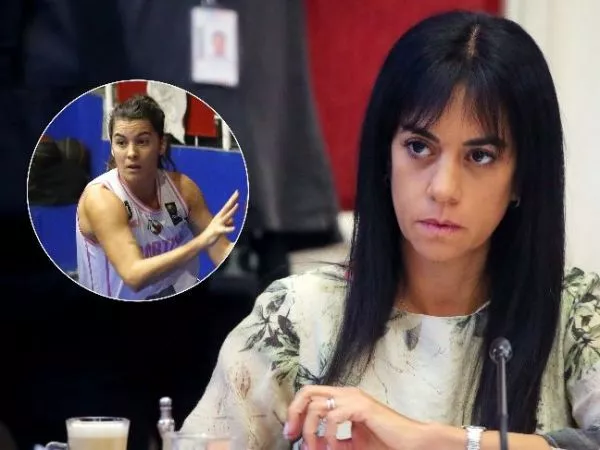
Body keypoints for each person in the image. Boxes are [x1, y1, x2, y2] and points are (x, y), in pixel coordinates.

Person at [180, 10, 600, 450]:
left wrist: (425, 439)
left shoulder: (575, 313)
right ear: (386, 157)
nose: (443, 188)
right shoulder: (297, 315)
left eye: (480, 156)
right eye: (419, 147)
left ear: (522, 177)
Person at [75, 94, 239, 301]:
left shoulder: (183, 188)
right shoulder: (102, 198)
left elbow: (221, 249)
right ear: (112, 148)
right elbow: (134, 276)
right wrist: (201, 242)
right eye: (121, 143)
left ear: (161, 145)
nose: (131, 153)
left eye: (142, 142)